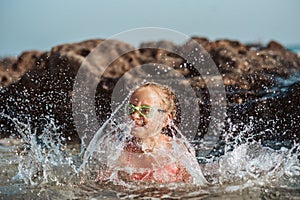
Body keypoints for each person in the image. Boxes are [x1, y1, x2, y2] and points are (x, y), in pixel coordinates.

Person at [114, 82, 201, 183]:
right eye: (131, 109)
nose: (134, 115)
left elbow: (194, 187)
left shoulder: (177, 151)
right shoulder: (120, 152)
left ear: (165, 119)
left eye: (145, 110)